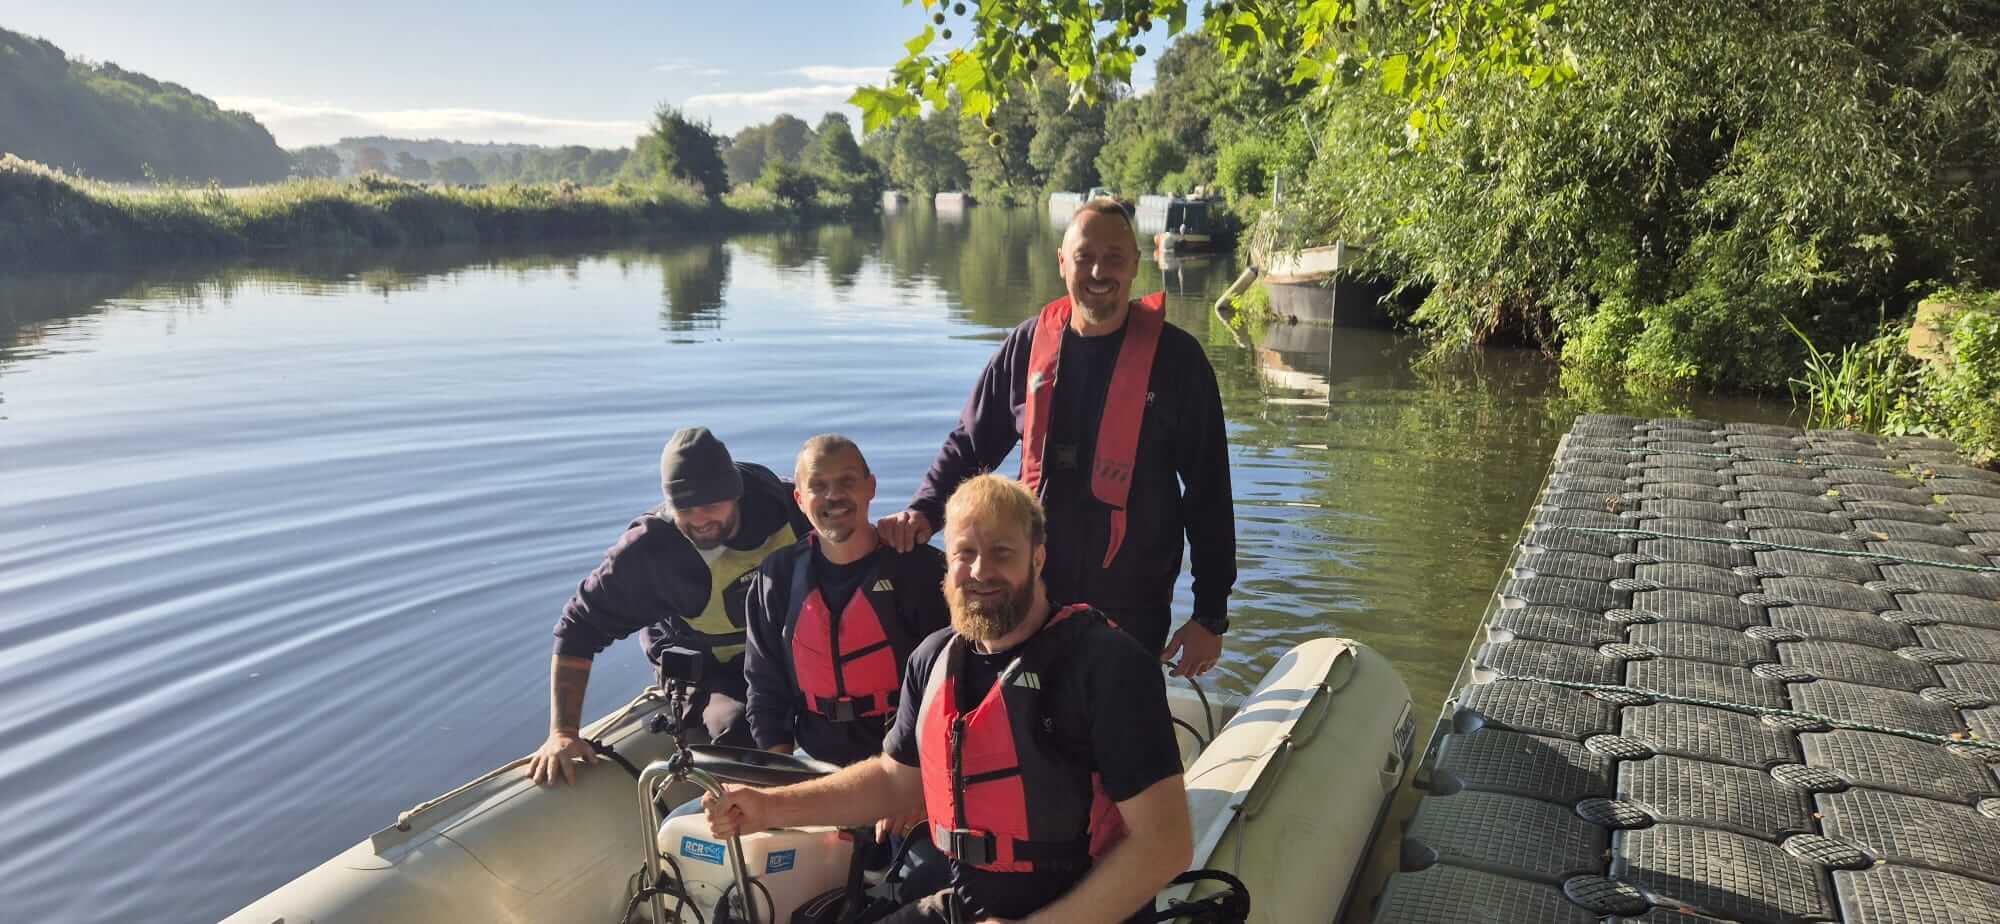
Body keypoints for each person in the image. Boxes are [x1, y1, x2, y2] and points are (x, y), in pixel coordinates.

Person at [707, 475, 1192, 924]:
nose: (981, 572)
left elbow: (1165, 846)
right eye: (965, 553)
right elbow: (894, 781)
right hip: (963, 906)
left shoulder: (1107, 665)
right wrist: (766, 808)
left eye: (1002, 552)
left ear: (1037, 557)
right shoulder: (934, 658)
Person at [879, 198, 1237, 679]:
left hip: (1133, 599)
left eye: (1114, 257)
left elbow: (1209, 493)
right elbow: (971, 443)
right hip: (1032, 589)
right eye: (1084, 256)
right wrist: (923, 509)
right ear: (1061, 261)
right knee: (1032, 726)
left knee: (1113, 726)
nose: (1098, 270)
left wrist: (1209, 615)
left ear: (1136, 264)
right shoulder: (1027, 348)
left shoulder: (1180, 362)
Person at [529, 427, 809, 786]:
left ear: (736, 493)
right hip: (712, 672)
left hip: (786, 652)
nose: (699, 518)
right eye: (684, 506)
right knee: (741, 727)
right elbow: (578, 627)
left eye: (712, 504)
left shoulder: (786, 506)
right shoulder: (651, 550)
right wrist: (564, 731)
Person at [744, 434, 950, 767]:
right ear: (799, 499)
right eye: (818, 486)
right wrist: (779, 774)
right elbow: (765, 684)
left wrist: (909, 779)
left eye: (847, 481)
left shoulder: (920, 571)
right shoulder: (777, 576)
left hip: (904, 762)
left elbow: (949, 686)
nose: (834, 495)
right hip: (815, 760)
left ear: (871, 487)